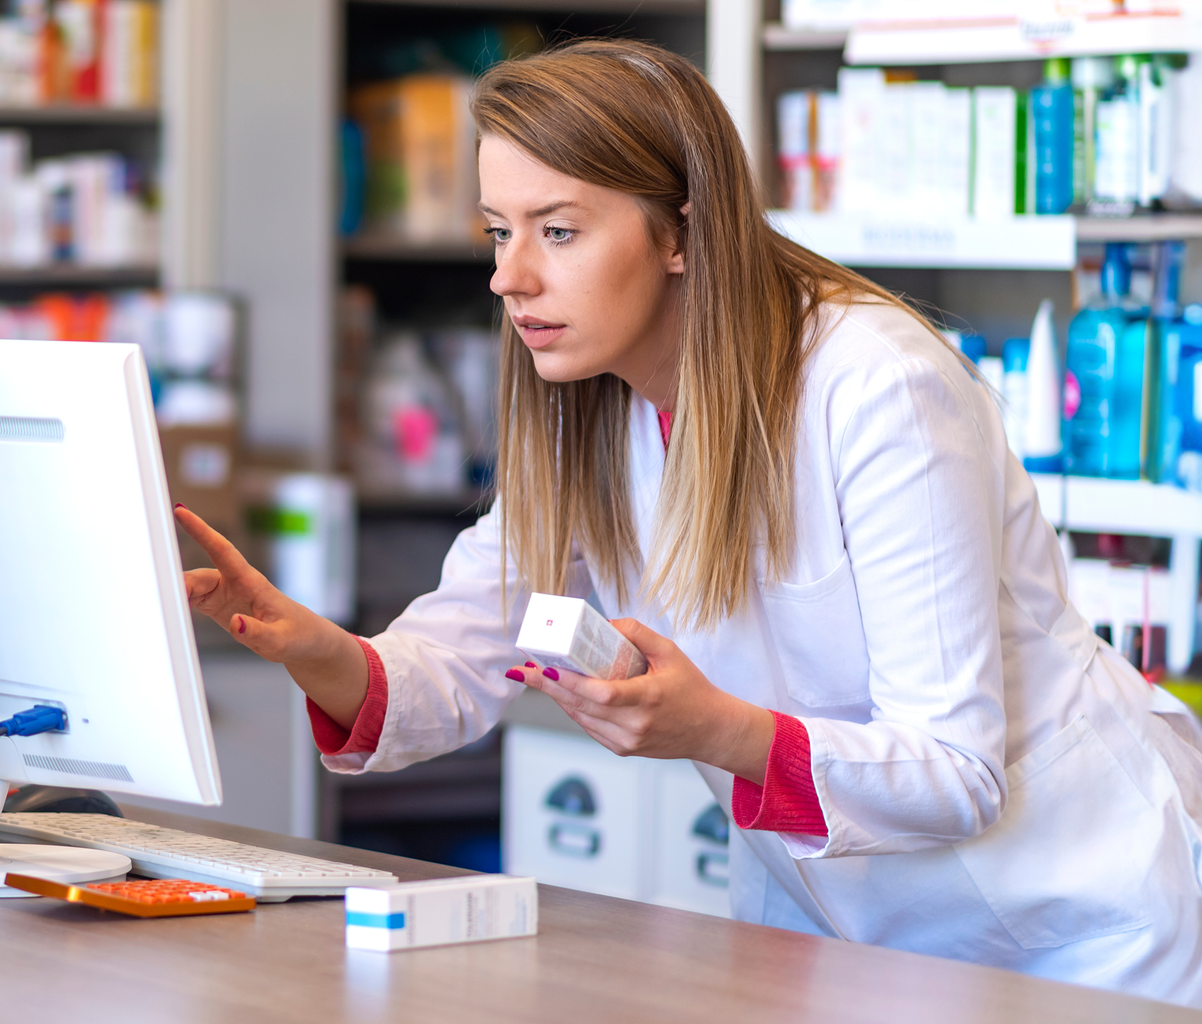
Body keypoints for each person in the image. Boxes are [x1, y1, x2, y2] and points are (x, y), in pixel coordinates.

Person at [175, 38, 1202, 1006]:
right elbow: (455, 659)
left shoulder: (875, 386)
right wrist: (315, 647)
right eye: (499, 231)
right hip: (842, 925)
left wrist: (713, 727)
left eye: (558, 230)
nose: (508, 276)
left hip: (1077, 925)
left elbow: (955, 773)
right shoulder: (589, 404)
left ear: (681, 231)